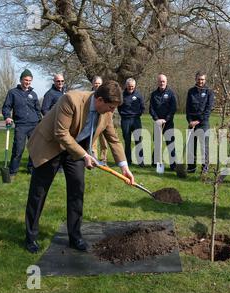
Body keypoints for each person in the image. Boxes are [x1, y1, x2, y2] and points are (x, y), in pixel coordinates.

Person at [24, 80, 135, 253]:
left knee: (77, 190)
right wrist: (85, 155)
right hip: (51, 146)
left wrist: (124, 167)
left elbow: (114, 139)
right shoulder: (71, 100)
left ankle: (75, 237)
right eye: (111, 107)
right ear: (99, 100)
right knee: (38, 193)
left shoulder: (106, 113)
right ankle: (30, 237)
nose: (112, 111)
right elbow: (60, 133)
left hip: (75, 150)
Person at [2, 69, 41, 176]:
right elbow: (6, 107)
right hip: (21, 125)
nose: (28, 82)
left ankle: (31, 169)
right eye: (26, 80)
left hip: (34, 125)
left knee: (34, 149)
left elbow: (37, 110)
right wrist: (7, 117)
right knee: (18, 149)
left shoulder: (33, 94)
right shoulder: (13, 93)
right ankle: (13, 171)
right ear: (21, 80)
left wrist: (40, 123)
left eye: (30, 80)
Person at [186, 71, 214, 174]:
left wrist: (197, 121)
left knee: (204, 147)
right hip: (191, 123)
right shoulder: (191, 91)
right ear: (195, 79)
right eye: (199, 79)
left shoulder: (209, 92)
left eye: (202, 79)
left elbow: (208, 110)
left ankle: (204, 168)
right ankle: (191, 167)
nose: (200, 81)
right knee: (191, 146)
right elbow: (187, 108)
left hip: (203, 123)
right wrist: (190, 121)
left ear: (205, 80)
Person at [149, 73, 177, 171]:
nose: (162, 83)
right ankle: (155, 162)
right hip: (157, 123)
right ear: (158, 82)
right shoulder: (153, 94)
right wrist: (157, 119)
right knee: (157, 143)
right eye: (160, 81)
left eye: (163, 81)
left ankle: (173, 165)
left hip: (168, 123)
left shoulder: (171, 93)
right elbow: (151, 108)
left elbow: (173, 108)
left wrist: (166, 119)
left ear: (166, 82)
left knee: (170, 143)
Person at [118, 78, 145, 166]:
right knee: (127, 141)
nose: (131, 88)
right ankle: (128, 161)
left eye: (132, 86)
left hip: (136, 120)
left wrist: (137, 114)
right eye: (129, 86)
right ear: (126, 86)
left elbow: (142, 107)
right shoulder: (122, 95)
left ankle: (140, 161)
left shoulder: (138, 95)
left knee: (138, 141)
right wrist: (124, 114)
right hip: (125, 120)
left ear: (135, 86)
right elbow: (119, 107)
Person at [90, 76, 108, 165]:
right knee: (93, 141)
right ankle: (94, 159)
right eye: (96, 83)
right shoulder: (89, 95)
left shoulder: (106, 95)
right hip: (93, 121)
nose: (97, 85)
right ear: (93, 84)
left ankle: (104, 159)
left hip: (103, 120)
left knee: (103, 141)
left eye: (99, 83)